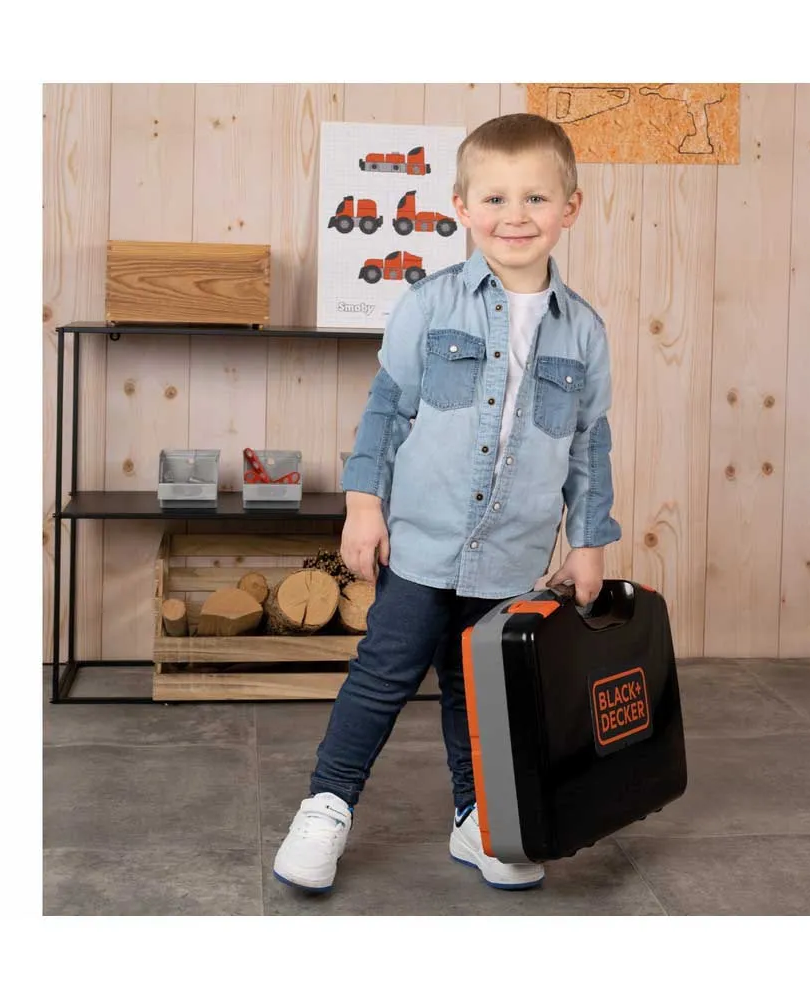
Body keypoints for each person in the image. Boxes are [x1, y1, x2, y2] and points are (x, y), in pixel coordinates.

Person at [273, 113, 621, 893]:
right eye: (495, 198)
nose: (515, 216)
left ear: (570, 207)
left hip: (514, 554)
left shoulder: (585, 332)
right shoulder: (429, 305)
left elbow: (589, 444)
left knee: (481, 692)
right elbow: (387, 409)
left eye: (536, 198)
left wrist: (589, 542)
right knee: (382, 676)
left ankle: (477, 818)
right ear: (462, 208)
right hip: (423, 541)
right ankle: (326, 807)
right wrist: (365, 504)